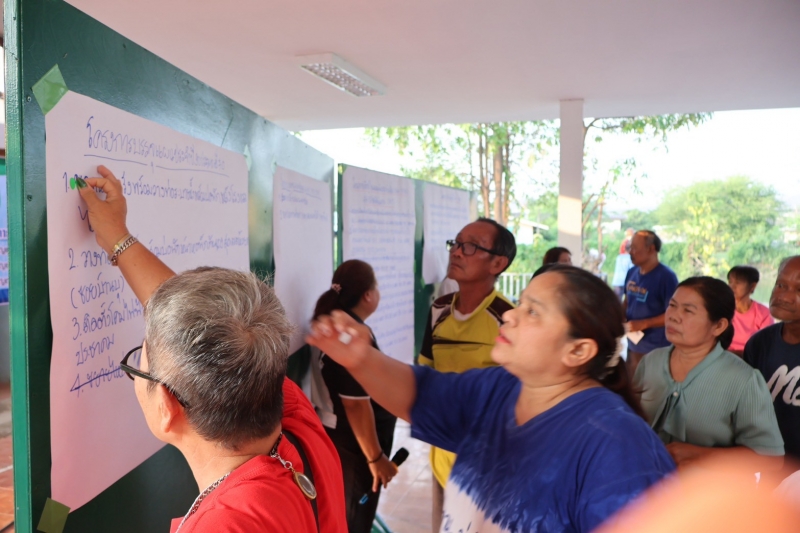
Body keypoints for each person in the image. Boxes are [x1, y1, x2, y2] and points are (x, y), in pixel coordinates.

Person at [75, 167, 347, 532]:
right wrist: (119, 239)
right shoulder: (297, 421)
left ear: (167, 405)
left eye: (140, 361)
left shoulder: (224, 524)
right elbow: (206, 327)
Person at [309, 265, 675, 533]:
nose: (510, 315)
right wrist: (362, 358)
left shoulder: (618, 446)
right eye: (520, 303)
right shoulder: (499, 388)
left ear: (578, 351)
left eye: (533, 312)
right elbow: (419, 395)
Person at [418, 218, 516, 531]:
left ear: (498, 263)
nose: (457, 252)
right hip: (442, 455)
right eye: (457, 243)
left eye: (471, 246)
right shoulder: (438, 309)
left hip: (488, 466)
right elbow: (425, 374)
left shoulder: (508, 319)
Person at [633, 277, 784, 471]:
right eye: (672, 305)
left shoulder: (743, 380)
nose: (673, 316)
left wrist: (703, 456)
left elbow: (771, 459)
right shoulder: (650, 362)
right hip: (645, 483)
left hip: (707, 489)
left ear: (718, 326)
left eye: (688, 310)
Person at [310, 260, 397, 533]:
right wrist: (375, 458)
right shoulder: (346, 336)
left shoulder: (337, 324)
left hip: (344, 438)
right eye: (377, 286)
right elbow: (356, 407)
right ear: (368, 295)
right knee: (354, 518)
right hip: (354, 446)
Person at [745, 256, 800, 471]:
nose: (783, 297)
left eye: (799, 290)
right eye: (781, 285)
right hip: (771, 470)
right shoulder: (759, 343)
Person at [623, 230, 679, 378]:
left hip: (656, 348)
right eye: (630, 248)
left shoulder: (667, 277)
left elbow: (673, 314)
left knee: (651, 387)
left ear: (650, 249)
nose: (630, 252)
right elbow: (627, 301)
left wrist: (644, 323)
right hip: (633, 344)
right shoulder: (632, 272)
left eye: (634, 248)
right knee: (632, 384)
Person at [727, 265, 774, 356]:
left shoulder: (764, 313)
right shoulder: (723, 309)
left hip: (751, 358)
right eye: (730, 282)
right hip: (724, 356)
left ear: (752, 286)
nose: (732, 286)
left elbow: (766, 345)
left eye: (738, 282)